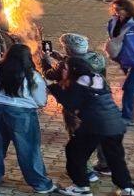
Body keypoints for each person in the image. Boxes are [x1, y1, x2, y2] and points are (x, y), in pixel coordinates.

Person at [49, 57, 134, 196]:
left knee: (74, 152)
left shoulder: (81, 81)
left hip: (95, 125)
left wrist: (52, 86)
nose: (62, 71)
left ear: (74, 70)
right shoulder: (97, 77)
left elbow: (70, 103)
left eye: (65, 68)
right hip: (115, 124)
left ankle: (81, 186)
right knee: (115, 158)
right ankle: (127, 188)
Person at [0, 43, 56, 193]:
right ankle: (40, 184)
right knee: (28, 148)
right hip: (23, 113)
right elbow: (41, 101)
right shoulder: (32, 75)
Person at [39, 34, 110, 179]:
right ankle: (106, 165)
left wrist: (45, 62)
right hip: (100, 103)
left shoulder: (67, 65)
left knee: (79, 139)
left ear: (68, 48)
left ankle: (86, 171)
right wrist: (61, 58)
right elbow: (81, 64)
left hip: (77, 107)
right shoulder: (98, 58)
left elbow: (51, 75)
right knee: (100, 135)